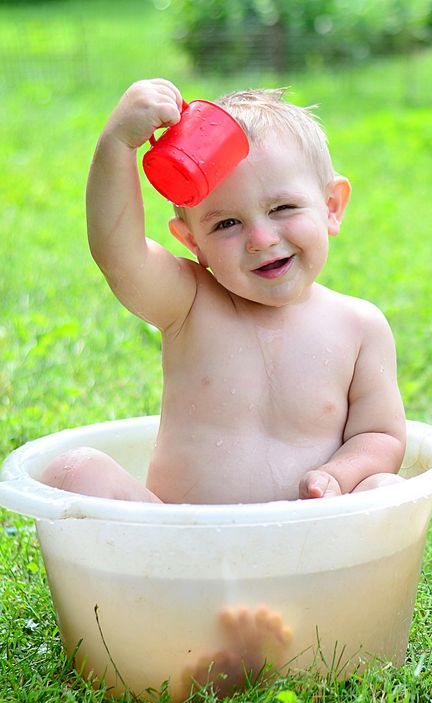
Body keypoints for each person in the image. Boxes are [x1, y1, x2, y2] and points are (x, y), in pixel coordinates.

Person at [41, 78, 406, 506]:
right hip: (177, 546)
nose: (262, 239)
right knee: (73, 470)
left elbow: (379, 436)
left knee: (386, 491)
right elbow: (117, 253)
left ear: (331, 206)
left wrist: (338, 476)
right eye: (226, 224)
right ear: (192, 242)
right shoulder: (189, 304)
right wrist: (118, 145)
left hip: (307, 543)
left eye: (282, 208)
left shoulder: (359, 328)